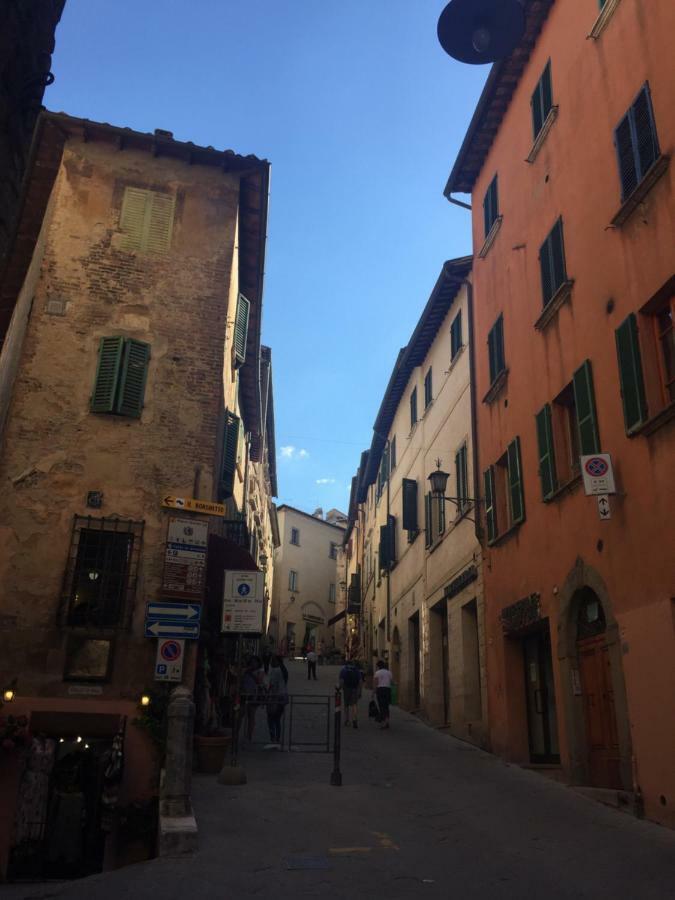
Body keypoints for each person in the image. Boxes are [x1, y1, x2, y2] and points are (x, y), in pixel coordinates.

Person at [265, 656, 288, 748]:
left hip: (275, 697)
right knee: (277, 719)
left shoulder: (275, 671)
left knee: (271, 719)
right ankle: (277, 738)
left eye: (272, 661)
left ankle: (273, 738)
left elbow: (272, 685)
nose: (270, 663)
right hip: (283, 696)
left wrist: (267, 695)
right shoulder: (283, 670)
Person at [339, 659, 363, 728]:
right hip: (354, 689)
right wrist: (360, 691)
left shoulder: (344, 670)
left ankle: (347, 720)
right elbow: (360, 681)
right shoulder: (356, 670)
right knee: (354, 704)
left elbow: (341, 680)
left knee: (346, 705)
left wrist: (340, 688)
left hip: (346, 689)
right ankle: (354, 719)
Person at [374, 659, 393, 729]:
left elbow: (376, 683)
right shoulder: (389, 672)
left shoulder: (377, 673)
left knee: (381, 706)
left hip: (380, 690)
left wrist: (373, 692)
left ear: (378, 666)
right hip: (387, 690)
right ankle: (387, 722)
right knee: (386, 706)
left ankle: (383, 723)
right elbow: (391, 682)